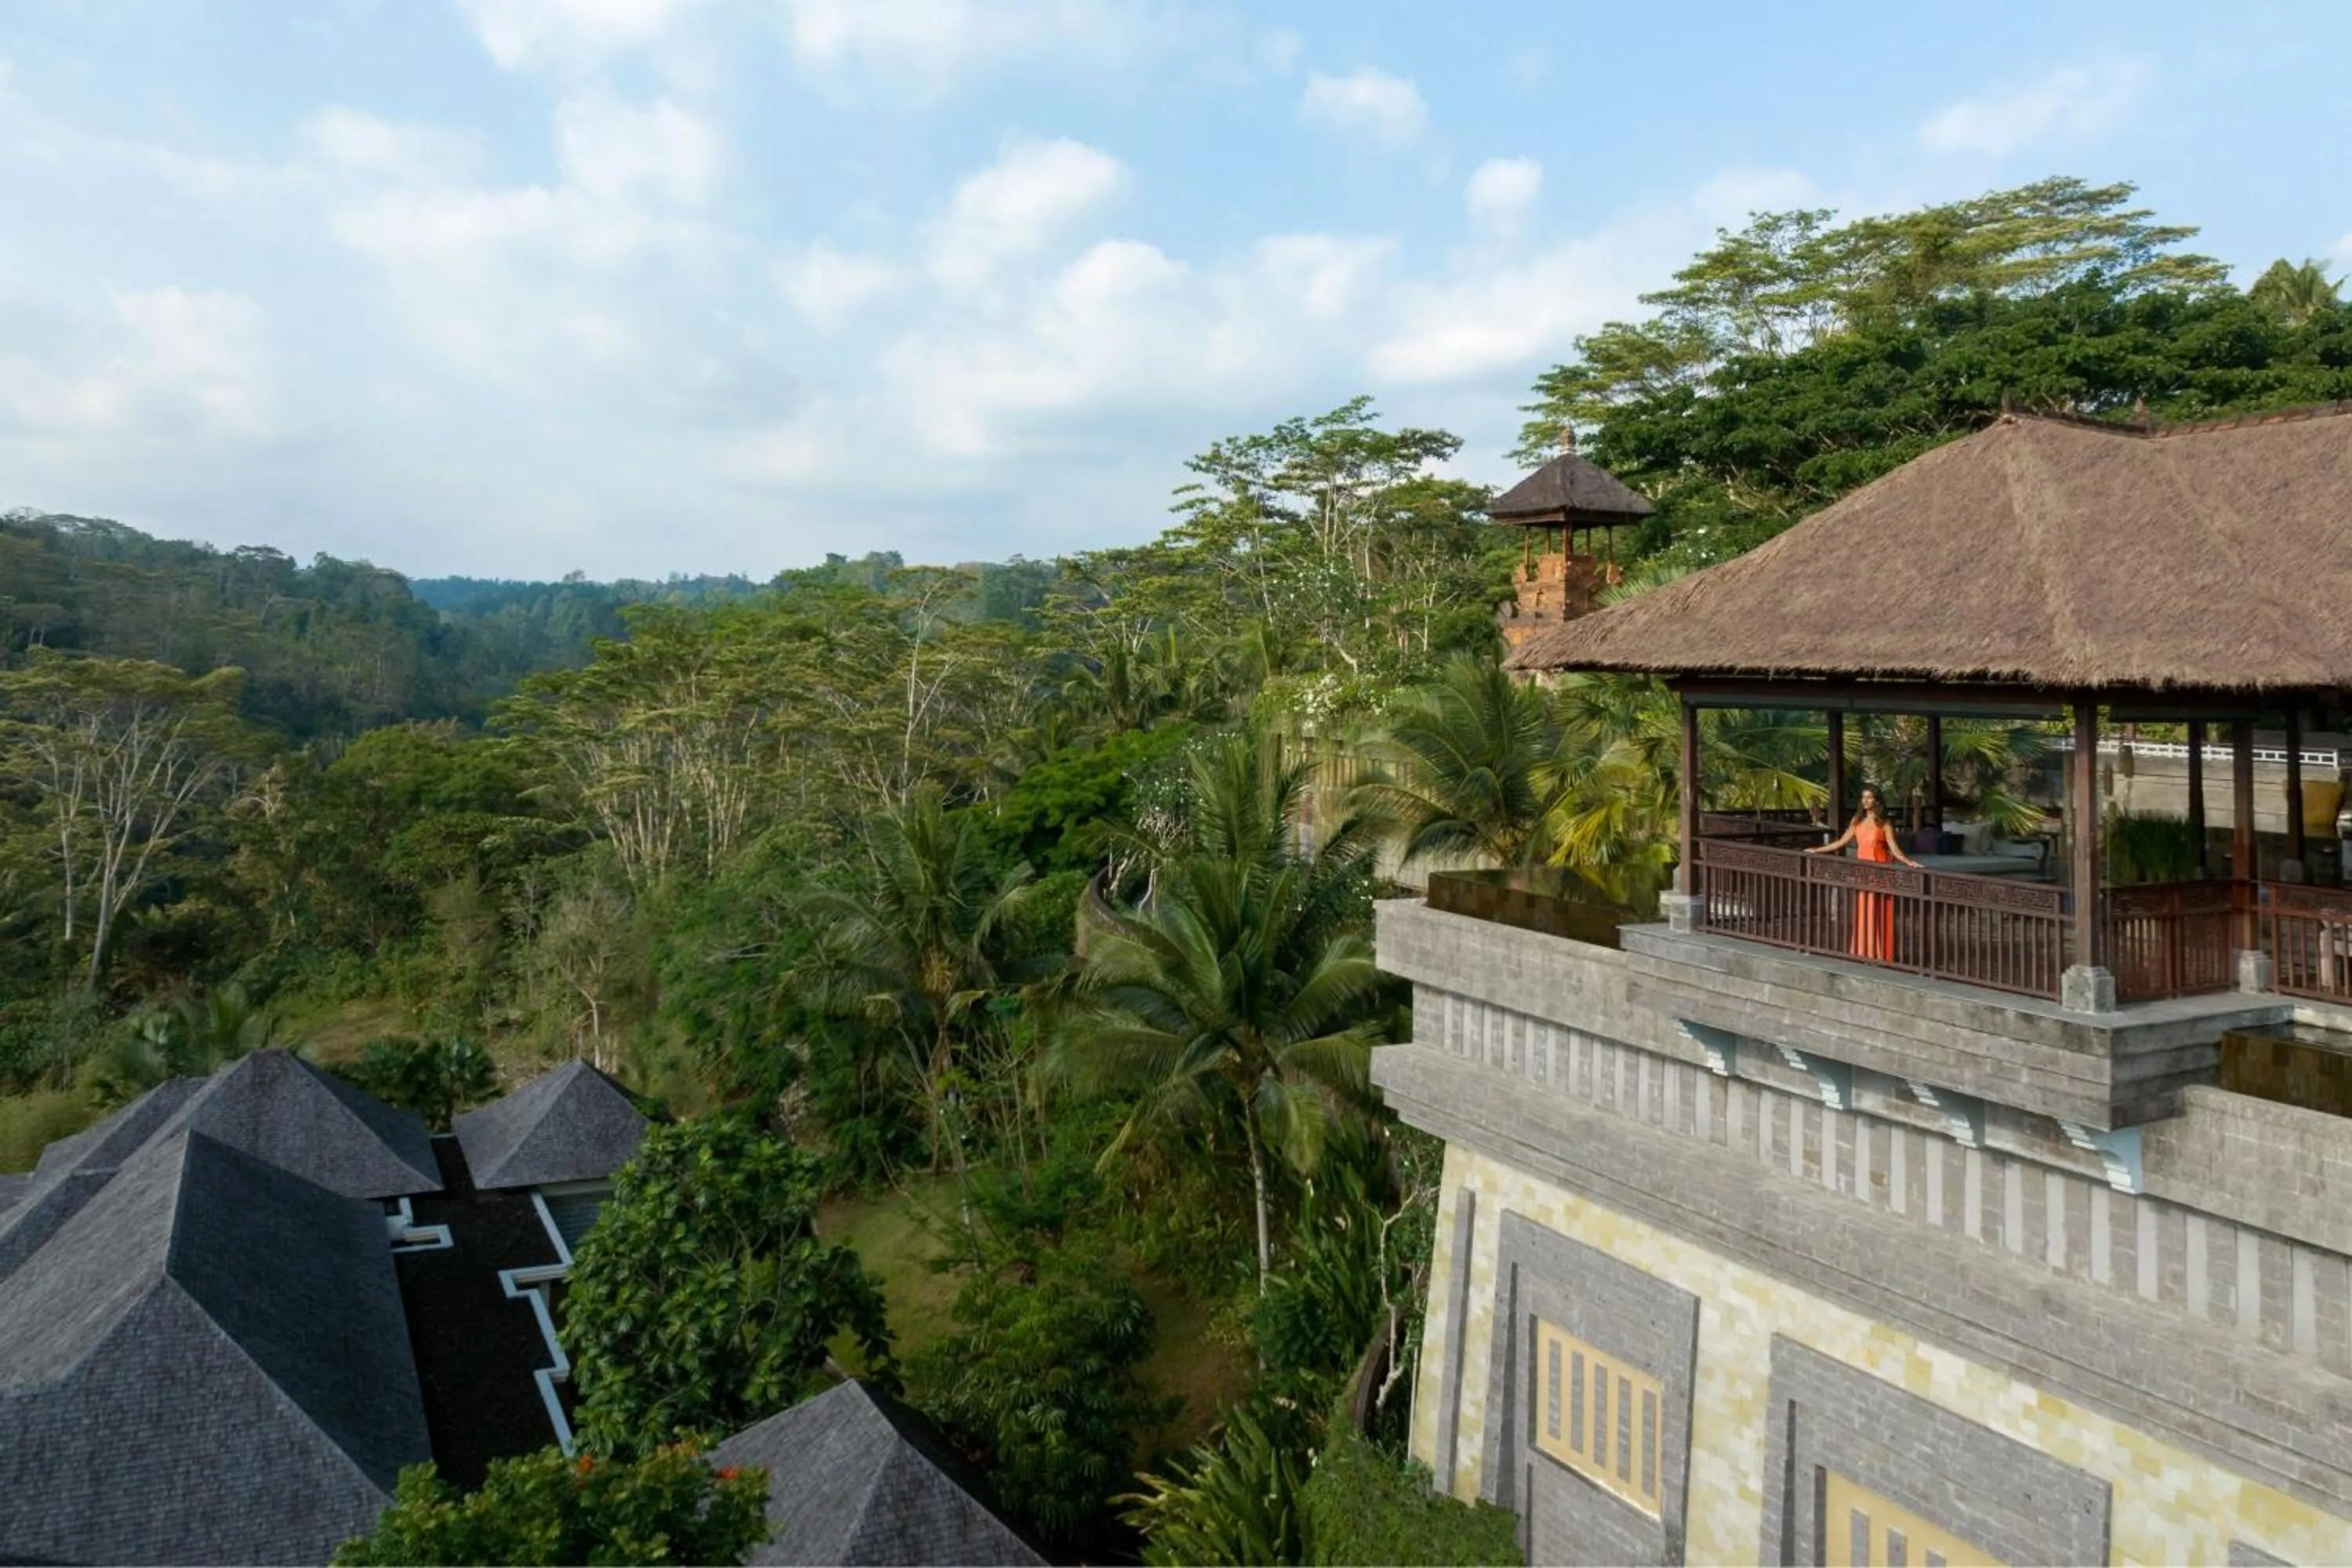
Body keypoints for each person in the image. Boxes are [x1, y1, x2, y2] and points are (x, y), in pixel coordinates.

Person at [1806, 786, 1919, 960]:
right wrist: (1818, 850)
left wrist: (1909, 862)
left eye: (1869, 797)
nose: (1865, 801)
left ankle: (1880, 954)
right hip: (1863, 871)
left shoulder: (1885, 823)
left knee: (1878, 910)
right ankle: (1863, 951)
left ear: (1877, 800)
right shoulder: (1857, 820)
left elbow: (1894, 849)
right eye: (1863, 797)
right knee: (1864, 909)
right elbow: (1841, 842)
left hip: (1880, 871)